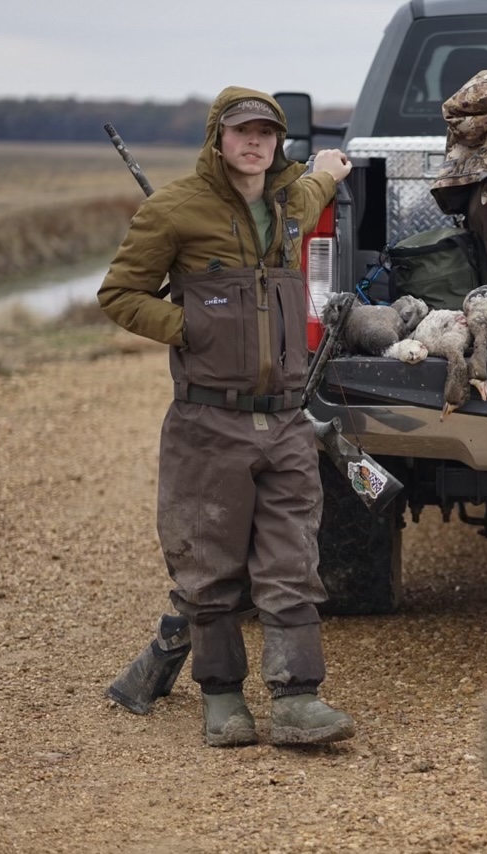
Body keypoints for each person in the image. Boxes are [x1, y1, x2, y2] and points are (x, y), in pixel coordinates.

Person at [98, 87, 355, 747]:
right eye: (243, 133)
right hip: (209, 423)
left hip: (287, 419)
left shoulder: (288, 202)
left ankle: (299, 700)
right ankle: (221, 699)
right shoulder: (174, 211)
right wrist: (192, 327)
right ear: (218, 137)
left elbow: (318, 186)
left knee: (293, 562)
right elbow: (119, 294)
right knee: (208, 568)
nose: (255, 144)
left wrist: (331, 166)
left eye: (266, 135)